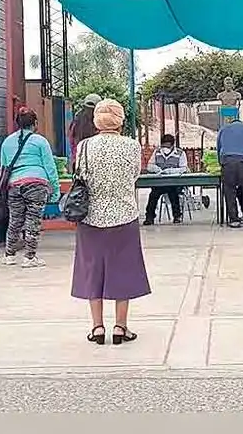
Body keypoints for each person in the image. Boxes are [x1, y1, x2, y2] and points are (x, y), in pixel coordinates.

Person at [71, 99, 151, 345]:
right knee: (123, 268)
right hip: (124, 215)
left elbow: (80, 174)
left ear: (97, 121)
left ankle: (97, 327)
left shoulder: (84, 146)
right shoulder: (132, 146)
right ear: (120, 121)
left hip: (91, 217)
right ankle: (120, 326)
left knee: (92, 268)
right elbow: (134, 175)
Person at [1, 105, 61, 269]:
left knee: (15, 220)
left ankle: (9, 255)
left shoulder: (7, 142)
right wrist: (55, 190)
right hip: (36, 184)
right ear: (35, 123)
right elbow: (50, 167)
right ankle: (29, 257)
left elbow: (4, 166)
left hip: (14, 185)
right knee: (33, 221)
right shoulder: (40, 141)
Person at [216, 117, 243, 228]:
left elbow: (219, 148)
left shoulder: (223, 130)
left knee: (229, 190)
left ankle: (234, 219)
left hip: (227, 162)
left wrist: (222, 163)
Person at [143, 134, 189, 225]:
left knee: (173, 193)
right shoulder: (157, 152)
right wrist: (156, 169)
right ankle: (149, 217)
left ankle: (177, 216)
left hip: (174, 183)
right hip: (160, 182)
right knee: (153, 195)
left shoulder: (180, 153)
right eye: (164, 146)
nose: (165, 148)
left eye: (167, 146)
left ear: (172, 145)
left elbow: (183, 168)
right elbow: (150, 165)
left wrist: (171, 171)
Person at [68, 93, 101, 159]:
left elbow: (71, 141)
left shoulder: (76, 121)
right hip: (95, 158)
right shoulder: (101, 123)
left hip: (79, 157)